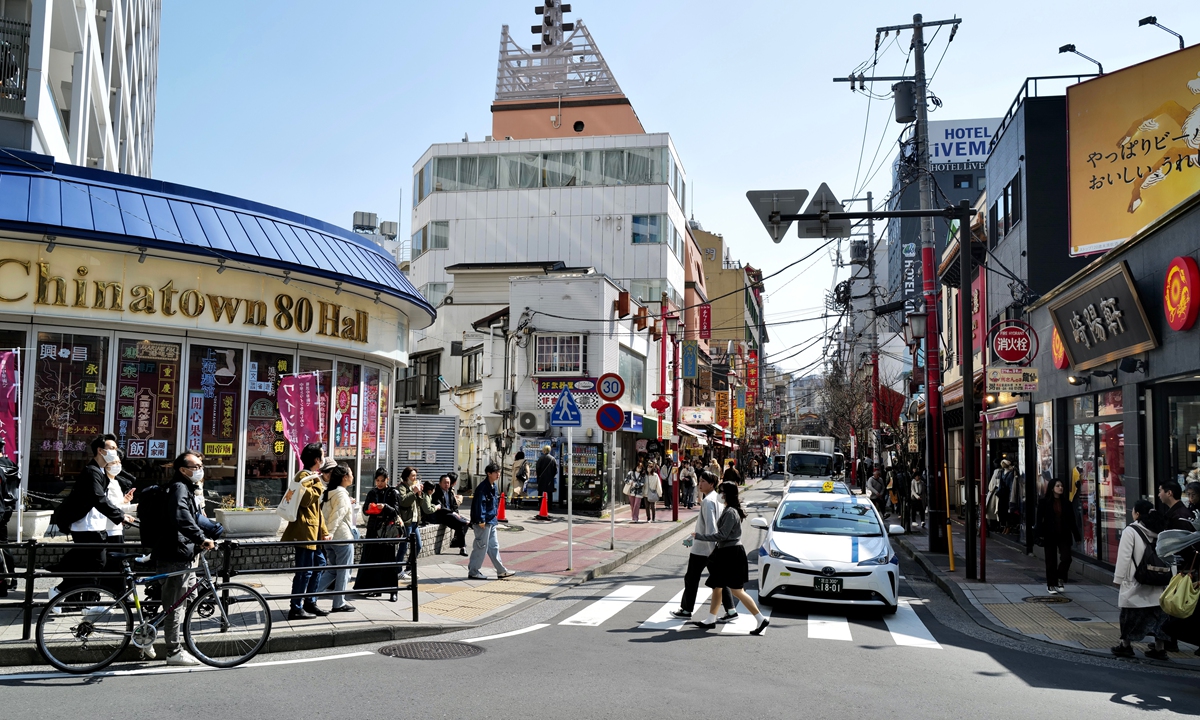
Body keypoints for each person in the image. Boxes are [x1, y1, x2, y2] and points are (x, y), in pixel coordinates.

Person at [150, 451, 218, 666]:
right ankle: (173, 651)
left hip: (182, 551)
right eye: (195, 466)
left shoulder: (184, 488)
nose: (200, 469)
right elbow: (180, 516)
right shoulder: (179, 488)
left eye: (200, 465)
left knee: (184, 598)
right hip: (175, 553)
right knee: (174, 605)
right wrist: (201, 538)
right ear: (183, 470)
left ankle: (149, 633)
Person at [51, 434, 134, 596]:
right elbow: (99, 498)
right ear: (100, 451)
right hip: (85, 524)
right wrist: (120, 515)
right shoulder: (91, 472)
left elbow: (103, 500)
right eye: (112, 449)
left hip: (95, 524)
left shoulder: (99, 471)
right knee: (96, 562)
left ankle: (72, 597)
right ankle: (65, 593)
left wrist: (120, 512)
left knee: (89, 564)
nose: (115, 452)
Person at [691, 482, 769, 635]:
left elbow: (722, 535)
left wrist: (700, 537)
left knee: (736, 590)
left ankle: (760, 619)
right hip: (728, 552)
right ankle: (711, 619)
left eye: (721, 491)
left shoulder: (730, 512)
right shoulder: (730, 510)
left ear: (726, 494)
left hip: (730, 553)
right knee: (717, 586)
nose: (720, 494)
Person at [669, 470, 736, 621]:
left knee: (692, 578)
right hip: (711, 547)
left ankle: (686, 610)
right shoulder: (718, 499)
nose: (699, 484)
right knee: (718, 579)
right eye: (699, 481)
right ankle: (731, 610)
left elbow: (711, 527)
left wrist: (712, 550)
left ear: (712, 484)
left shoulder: (708, 501)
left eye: (703, 482)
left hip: (704, 549)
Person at [1112, 500, 1170, 660]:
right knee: (1158, 616)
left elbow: (1124, 557)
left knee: (1130, 616)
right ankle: (1159, 649)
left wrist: (1118, 578)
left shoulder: (1131, 531)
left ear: (1137, 513)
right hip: (1159, 582)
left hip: (1136, 581)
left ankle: (1125, 646)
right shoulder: (1161, 529)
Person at [280, 442, 330, 621]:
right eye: (322, 456)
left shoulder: (312, 476)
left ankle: (310, 601)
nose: (324, 459)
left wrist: (324, 531)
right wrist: (319, 484)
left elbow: (317, 510)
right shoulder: (303, 475)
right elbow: (307, 501)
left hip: (313, 530)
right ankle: (296, 607)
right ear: (317, 459)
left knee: (319, 565)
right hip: (304, 530)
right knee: (305, 570)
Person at [316, 464, 357, 613]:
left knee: (332, 570)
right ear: (344, 477)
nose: (352, 476)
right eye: (351, 473)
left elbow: (327, 515)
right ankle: (339, 602)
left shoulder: (329, 492)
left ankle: (309, 596)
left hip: (329, 538)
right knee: (344, 571)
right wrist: (330, 532)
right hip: (342, 538)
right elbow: (337, 515)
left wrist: (327, 534)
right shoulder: (341, 494)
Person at [355, 468, 402, 596]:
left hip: (387, 530)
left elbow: (396, 511)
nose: (380, 483)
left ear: (387, 480)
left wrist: (385, 507)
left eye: (382, 480)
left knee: (388, 559)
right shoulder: (372, 492)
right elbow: (365, 510)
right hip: (373, 528)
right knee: (370, 559)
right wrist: (370, 508)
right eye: (377, 480)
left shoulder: (393, 492)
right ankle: (372, 588)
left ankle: (392, 591)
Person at [1035, 478, 1081, 594]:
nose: (1061, 488)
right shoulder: (1044, 502)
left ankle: (1059, 577)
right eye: (1058, 486)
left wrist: (1077, 536)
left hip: (1064, 535)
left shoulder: (1067, 503)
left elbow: (1072, 521)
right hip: (1049, 534)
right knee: (1050, 561)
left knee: (1067, 558)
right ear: (1052, 488)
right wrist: (1038, 535)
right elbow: (1039, 520)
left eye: (1061, 486)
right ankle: (1051, 584)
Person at [468, 462, 513, 580]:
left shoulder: (494, 486)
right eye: (496, 472)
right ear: (489, 473)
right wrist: (480, 520)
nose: (498, 474)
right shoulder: (482, 487)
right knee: (481, 546)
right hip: (483, 522)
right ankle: (473, 571)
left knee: (494, 546)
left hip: (491, 520)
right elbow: (479, 505)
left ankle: (501, 570)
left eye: (499, 472)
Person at [396, 467, 438, 579]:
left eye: (416, 476)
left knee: (418, 545)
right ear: (406, 477)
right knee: (404, 546)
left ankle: (409, 568)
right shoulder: (402, 487)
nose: (415, 478)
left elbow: (419, 503)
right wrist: (413, 492)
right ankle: (398, 570)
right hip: (407, 521)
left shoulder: (413, 487)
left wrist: (419, 494)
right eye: (413, 476)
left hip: (415, 521)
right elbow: (403, 502)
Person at [431, 474, 469, 556]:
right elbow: (440, 506)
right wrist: (453, 512)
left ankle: (462, 548)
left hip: (451, 515)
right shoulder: (436, 492)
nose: (446, 484)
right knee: (459, 520)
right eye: (444, 483)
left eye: (448, 483)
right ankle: (469, 524)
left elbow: (454, 506)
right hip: (442, 515)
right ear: (440, 483)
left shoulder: (450, 491)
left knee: (460, 524)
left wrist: (456, 513)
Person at [0, 438, 18, 597]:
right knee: (4, 544)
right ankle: (11, 578)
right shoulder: (10, 464)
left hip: (0, 508)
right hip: (7, 508)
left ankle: (5, 580)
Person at [535, 445, 558, 512]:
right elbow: (555, 470)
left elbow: (538, 468)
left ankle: (540, 505)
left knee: (540, 492)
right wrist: (551, 476)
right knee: (550, 493)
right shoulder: (553, 459)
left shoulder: (541, 458)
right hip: (550, 478)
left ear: (544, 450)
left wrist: (539, 475)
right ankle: (550, 506)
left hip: (542, 478)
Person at [624, 457, 647, 523]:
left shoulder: (642, 475)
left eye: (640, 468)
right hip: (631, 491)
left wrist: (636, 484)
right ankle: (633, 516)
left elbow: (642, 483)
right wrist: (630, 482)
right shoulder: (630, 473)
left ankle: (635, 517)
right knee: (632, 505)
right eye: (638, 467)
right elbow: (625, 480)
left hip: (639, 492)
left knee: (637, 504)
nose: (639, 468)